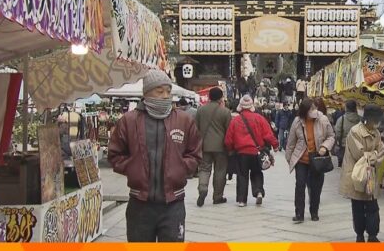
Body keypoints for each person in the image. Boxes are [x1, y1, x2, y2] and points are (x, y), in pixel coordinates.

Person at [108, 69, 202, 242]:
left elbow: (195, 153)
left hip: (173, 203)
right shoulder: (129, 121)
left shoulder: (183, 120)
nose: (165, 96)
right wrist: (132, 168)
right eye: (159, 91)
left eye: (168, 91)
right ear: (146, 93)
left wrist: (181, 168)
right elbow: (115, 154)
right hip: (139, 203)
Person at [340, 104, 384, 242]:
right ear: (369, 119)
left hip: (371, 174)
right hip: (357, 175)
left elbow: (382, 151)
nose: (377, 123)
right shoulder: (355, 131)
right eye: (376, 120)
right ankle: (359, 235)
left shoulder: (376, 133)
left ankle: (373, 235)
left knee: (373, 206)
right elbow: (359, 154)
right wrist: (375, 154)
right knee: (358, 207)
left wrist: (373, 155)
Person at [285, 98, 335, 223]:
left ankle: (314, 212)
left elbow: (331, 136)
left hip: (317, 158)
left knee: (316, 187)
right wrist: (289, 158)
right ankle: (299, 214)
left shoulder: (323, 119)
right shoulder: (297, 122)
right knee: (300, 185)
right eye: (311, 109)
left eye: (314, 108)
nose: (314, 111)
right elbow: (291, 142)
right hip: (301, 159)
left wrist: (325, 147)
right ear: (304, 111)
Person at [224, 95, 279, 207]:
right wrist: (275, 145)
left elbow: (228, 139)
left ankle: (242, 200)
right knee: (257, 173)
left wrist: (229, 149)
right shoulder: (259, 118)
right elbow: (268, 134)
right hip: (256, 152)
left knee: (242, 175)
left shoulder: (236, 120)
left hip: (241, 153)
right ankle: (258, 191)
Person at [195, 87, 232, 207]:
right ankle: (218, 196)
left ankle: (203, 188)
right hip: (221, 147)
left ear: (209, 97)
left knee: (204, 169)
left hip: (204, 145)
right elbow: (229, 131)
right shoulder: (225, 112)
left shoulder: (200, 110)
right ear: (221, 97)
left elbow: (196, 128)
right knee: (220, 171)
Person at [335, 100, 361, 167]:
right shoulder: (361, 120)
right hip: (358, 146)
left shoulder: (342, 119)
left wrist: (338, 142)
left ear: (346, 108)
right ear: (355, 108)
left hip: (345, 145)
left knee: (346, 166)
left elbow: (337, 133)